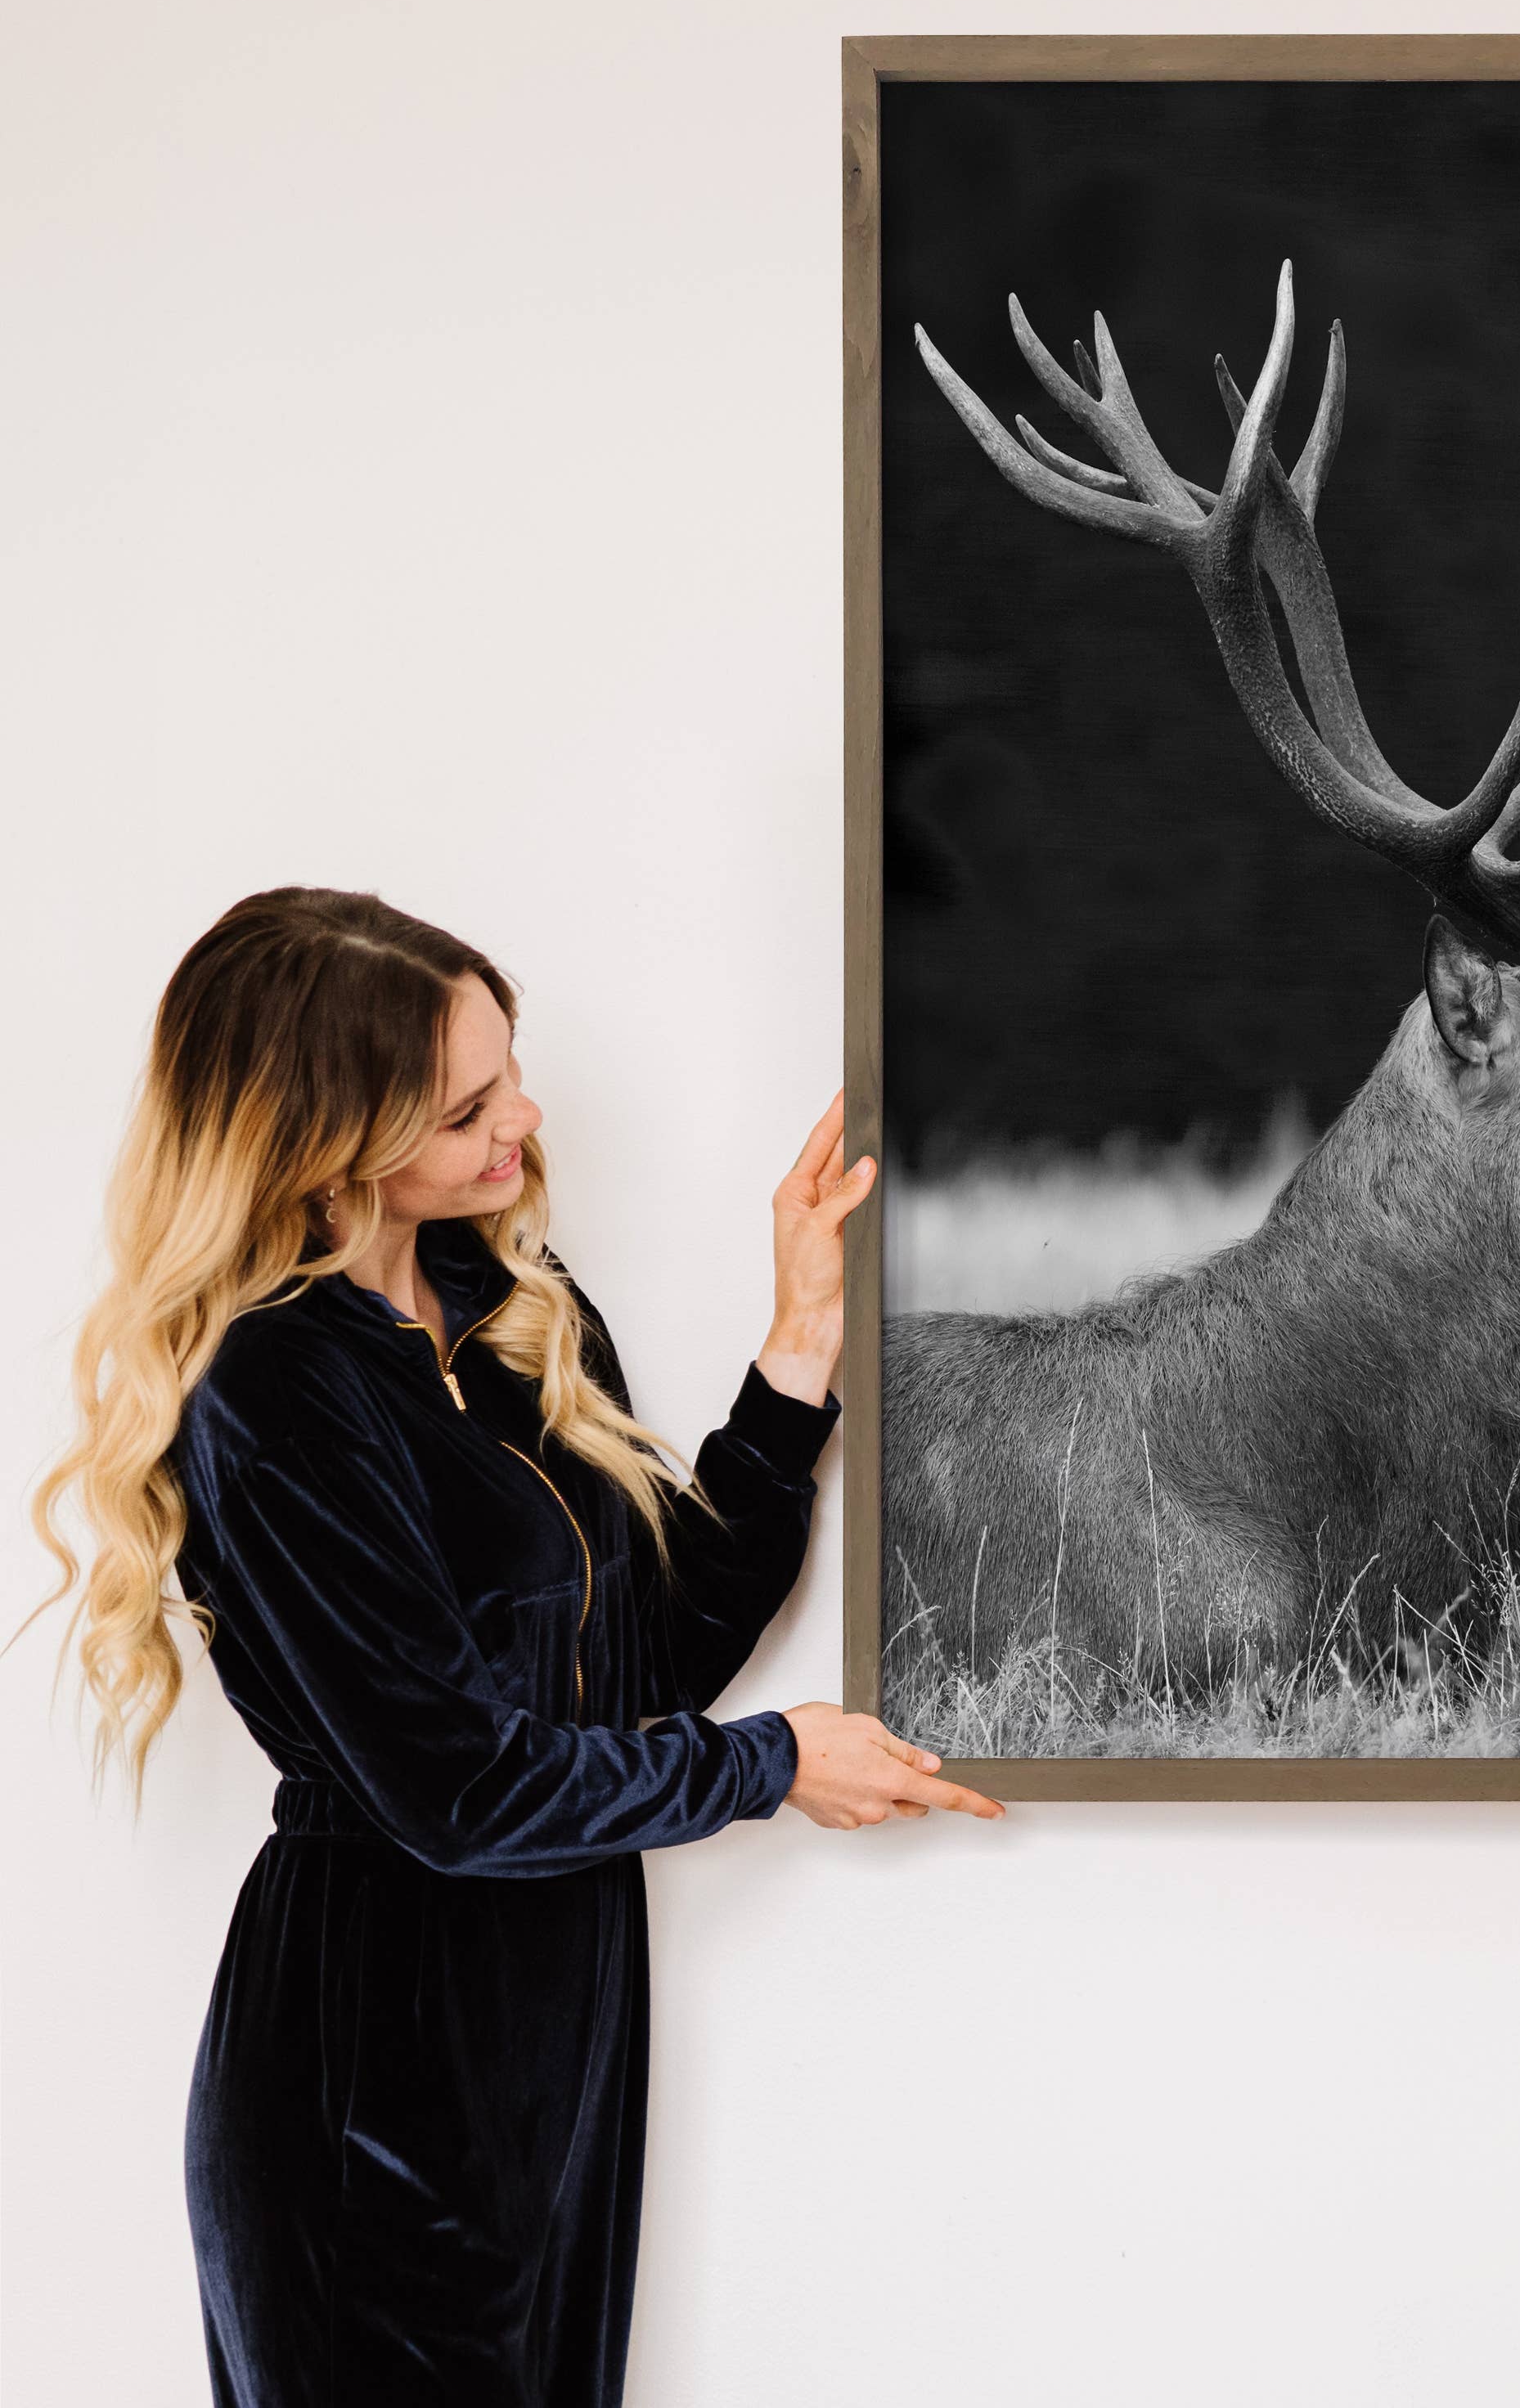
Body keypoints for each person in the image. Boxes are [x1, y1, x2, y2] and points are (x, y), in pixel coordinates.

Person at [30, 887, 1001, 2407]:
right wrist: (769, 1768)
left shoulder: (510, 1306)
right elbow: (459, 1789)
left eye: (511, 1071)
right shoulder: (268, 1394)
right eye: (467, 1108)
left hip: (553, 2042)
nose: (524, 1122)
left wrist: (799, 1343)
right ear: (325, 1145)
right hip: (372, 2071)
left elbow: (652, 1659)